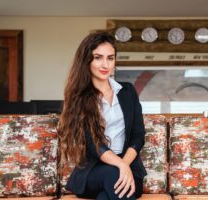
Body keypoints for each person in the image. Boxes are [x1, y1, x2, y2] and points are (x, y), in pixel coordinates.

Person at [58, 32, 147, 200]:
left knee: (106, 195)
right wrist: (120, 165)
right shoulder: (79, 98)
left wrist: (125, 164)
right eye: (98, 57)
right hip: (93, 171)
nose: (105, 64)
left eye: (110, 58)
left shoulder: (127, 91)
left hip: (129, 168)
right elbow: (94, 143)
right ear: (87, 61)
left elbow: (138, 135)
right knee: (112, 174)